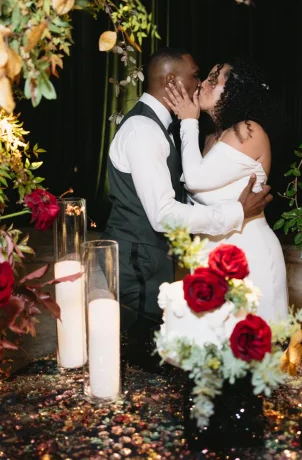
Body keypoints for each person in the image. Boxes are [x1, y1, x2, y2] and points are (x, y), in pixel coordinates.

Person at [103, 48, 273, 330]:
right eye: (196, 76)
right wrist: (236, 212)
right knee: (144, 353)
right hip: (139, 262)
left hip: (225, 256)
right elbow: (163, 215)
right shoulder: (145, 130)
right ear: (172, 80)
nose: (200, 84)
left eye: (209, 79)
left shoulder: (172, 129)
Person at [164, 59, 288, 322]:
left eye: (215, 78)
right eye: (206, 77)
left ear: (236, 90)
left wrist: (188, 121)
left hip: (249, 254)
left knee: (252, 348)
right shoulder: (211, 139)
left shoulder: (249, 131)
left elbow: (195, 180)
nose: (204, 84)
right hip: (211, 257)